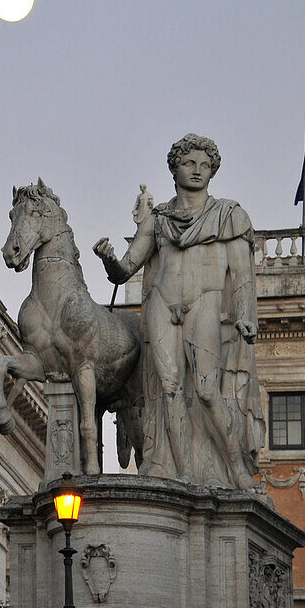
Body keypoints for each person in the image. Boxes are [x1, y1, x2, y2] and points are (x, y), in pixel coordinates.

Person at [93, 134, 263, 490]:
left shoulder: (228, 216)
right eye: (190, 164)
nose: (198, 171)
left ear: (212, 170)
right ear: (175, 169)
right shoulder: (158, 220)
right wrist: (109, 259)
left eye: (204, 165)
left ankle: (237, 470)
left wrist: (246, 315)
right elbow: (126, 268)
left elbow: (244, 279)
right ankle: (182, 473)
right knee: (167, 390)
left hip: (205, 304)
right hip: (161, 306)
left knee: (205, 390)